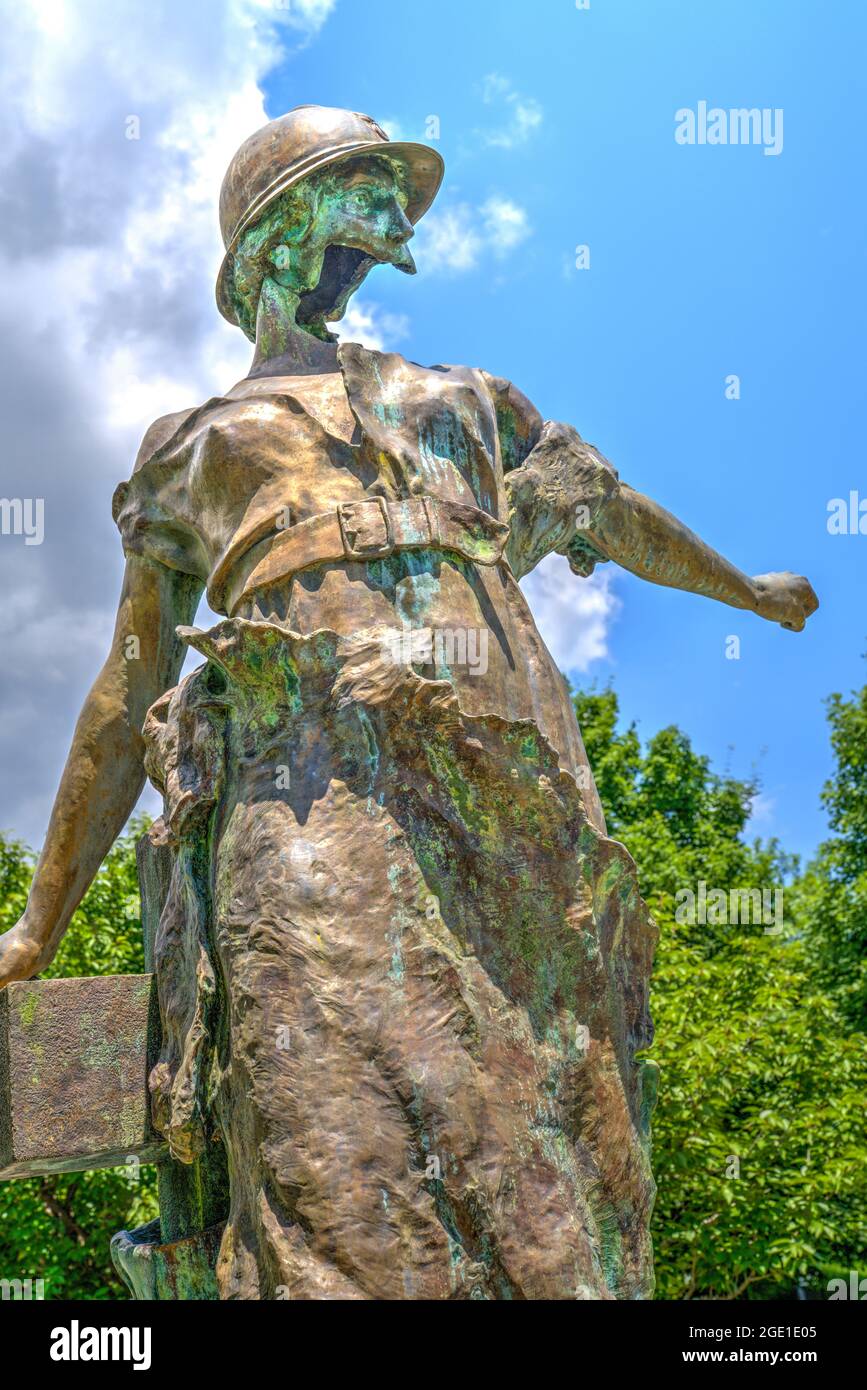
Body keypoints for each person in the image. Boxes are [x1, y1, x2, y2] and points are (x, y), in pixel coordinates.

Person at [0, 107, 817, 1299]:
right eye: (360, 197)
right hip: (309, 811)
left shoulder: (467, 399)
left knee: (571, 1174)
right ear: (282, 237)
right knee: (336, 1167)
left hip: (517, 810)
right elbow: (130, 694)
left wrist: (741, 588)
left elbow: (612, 508)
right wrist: (38, 925)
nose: (387, 227)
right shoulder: (194, 445)